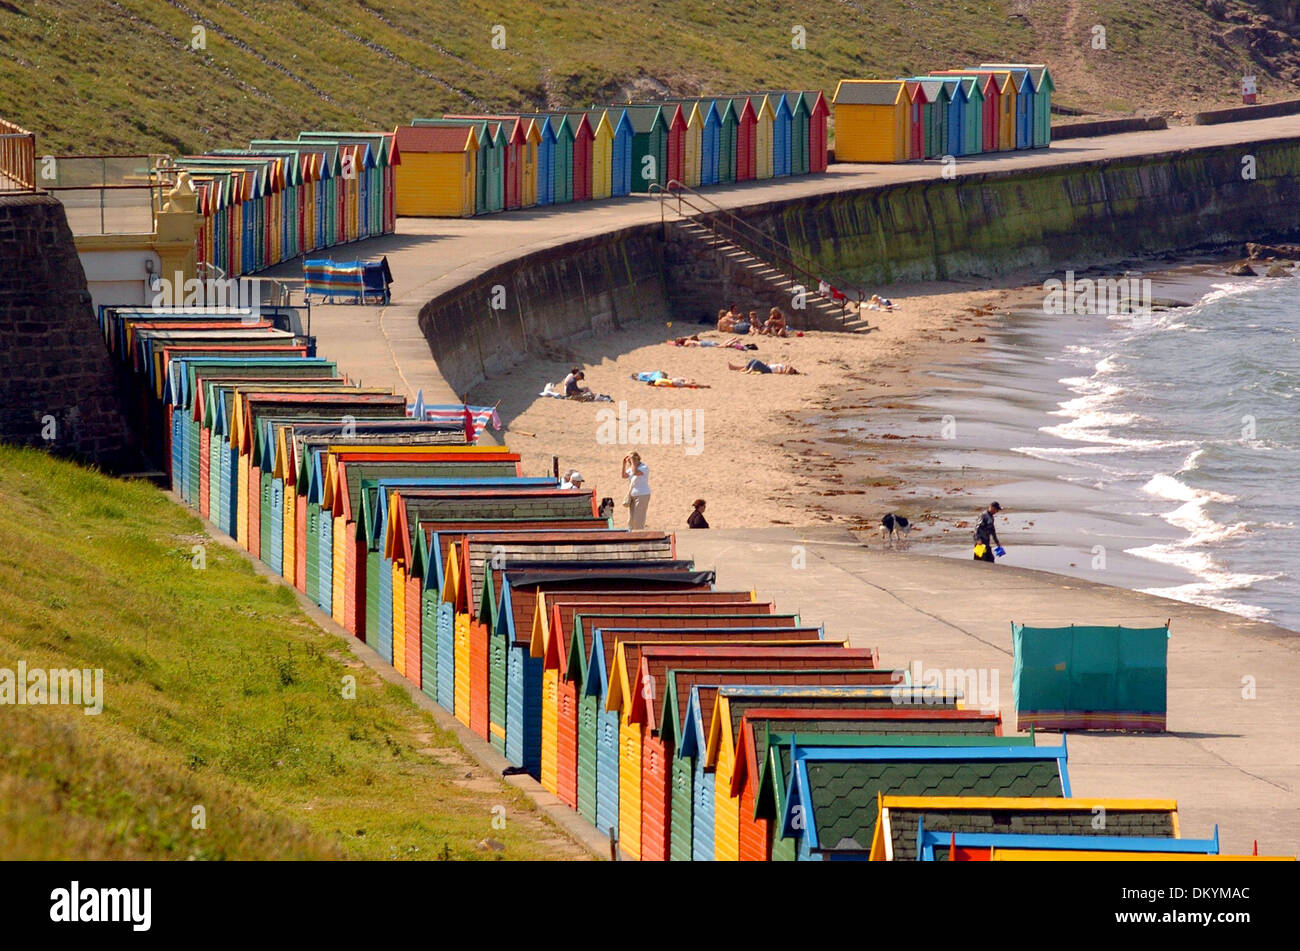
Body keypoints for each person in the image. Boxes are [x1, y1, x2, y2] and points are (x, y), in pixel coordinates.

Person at [622, 452, 650, 529]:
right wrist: (624, 464)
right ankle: (632, 535)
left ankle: (639, 535)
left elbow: (635, 472)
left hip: (642, 494)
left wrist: (633, 461)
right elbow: (624, 475)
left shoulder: (644, 467)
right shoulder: (631, 468)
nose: (630, 462)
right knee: (631, 519)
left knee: (638, 519)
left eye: (631, 460)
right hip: (633, 495)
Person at [728, 359, 799, 375]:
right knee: (752, 360)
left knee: (757, 362)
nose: (788, 366)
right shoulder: (781, 366)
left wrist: (779, 368)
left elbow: (779, 372)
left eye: (790, 368)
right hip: (767, 367)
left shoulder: (782, 369)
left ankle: (748, 371)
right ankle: (736, 368)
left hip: (768, 370)